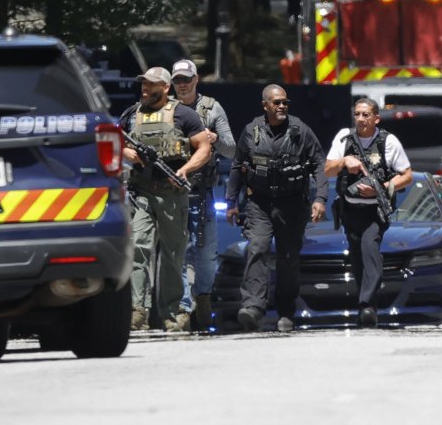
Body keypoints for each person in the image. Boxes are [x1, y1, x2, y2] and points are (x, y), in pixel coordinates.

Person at [225, 85, 328, 333]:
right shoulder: (251, 131)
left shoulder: (300, 130)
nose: (282, 106)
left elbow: (319, 164)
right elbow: (238, 166)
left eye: (285, 103)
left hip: (292, 204)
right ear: (265, 106)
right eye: (277, 103)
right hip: (259, 203)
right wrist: (231, 202)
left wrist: (320, 198)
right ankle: (253, 308)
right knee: (257, 248)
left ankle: (285, 311)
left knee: (288, 260)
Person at [122, 66, 212, 333]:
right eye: (143, 85)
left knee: (173, 254)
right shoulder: (131, 114)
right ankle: (137, 310)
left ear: (165, 88)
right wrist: (127, 153)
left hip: (172, 192)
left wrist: (184, 170)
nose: (145, 89)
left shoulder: (184, 114)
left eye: (151, 85)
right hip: (142, 191)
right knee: (138, 247)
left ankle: (174, 312)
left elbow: (204, 148)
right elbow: (113, 140)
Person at [324, 98, 413, 328]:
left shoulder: (388, 141)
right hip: (349, 209)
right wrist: (345, 161)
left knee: (369, 247)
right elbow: (327, 169)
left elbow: (407, 175)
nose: (361, 119)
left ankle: (366, 306)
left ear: (376, 118)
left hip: (375, 210)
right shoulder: (344, 137)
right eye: (358, 114)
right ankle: (368, 307)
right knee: (357, 259)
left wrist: (381, 188)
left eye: (366, 115)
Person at [169, 59, 235, 331]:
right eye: (177, 80)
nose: (182, 85)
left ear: (196, 80)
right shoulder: (165, 109)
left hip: (203, 191)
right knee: (178, 253)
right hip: (172, 191)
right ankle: (183, 308)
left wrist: (214, 139)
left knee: (206, 252)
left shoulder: (211, 108)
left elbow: (231, 149)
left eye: (187, 79)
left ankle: (204, 297)